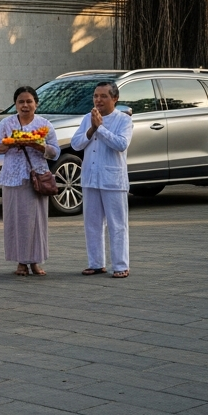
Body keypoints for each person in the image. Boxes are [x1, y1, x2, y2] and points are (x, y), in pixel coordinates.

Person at [0, 85, 59, 275]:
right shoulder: (7, 123)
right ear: (15, 104)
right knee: (16, 220)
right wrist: (11, 142)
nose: (25, 105)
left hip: (36, 176)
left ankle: (35, 261)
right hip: (13, 177)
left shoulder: (44, 125)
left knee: (36, 221)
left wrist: (39, 146)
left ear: (36, 104)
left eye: (29, 101)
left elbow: (55, 152)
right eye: (21, 102)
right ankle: (20, 262)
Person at [70, 81, 133, 278]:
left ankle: (121, 265)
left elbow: (121, 144)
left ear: (115, 98)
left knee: (117, 223)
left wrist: (100, 128)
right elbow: (76, 144)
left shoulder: (123, 120)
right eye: (96, 96)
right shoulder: (87, 119)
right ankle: (96, 263)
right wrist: (91, 129)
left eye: (103, 96)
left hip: (113, 178)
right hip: (90, 177)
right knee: (92, 223)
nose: (98, 100)